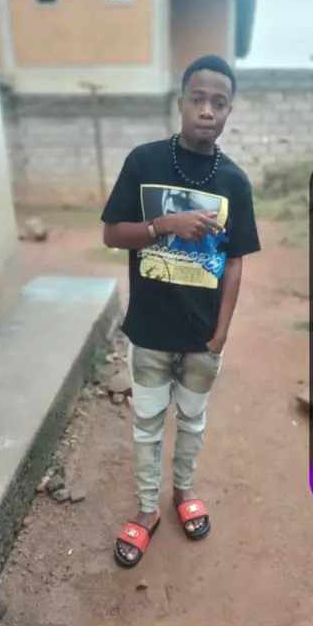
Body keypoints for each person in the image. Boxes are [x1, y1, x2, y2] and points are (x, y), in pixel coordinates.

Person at [101, 54, 261, 568]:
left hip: (201, 337)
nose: (207, 110)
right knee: (147, 424)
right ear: (181, 103)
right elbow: (112, 234)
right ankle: (147, 508)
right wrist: (165, 225)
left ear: (229, 111)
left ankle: (183, 490)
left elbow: (234, 261)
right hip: (150, 331)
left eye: (219, 102)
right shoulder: (144, 162)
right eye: (198, 98)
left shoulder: (233, 182)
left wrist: (221, 334)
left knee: (192, 422)